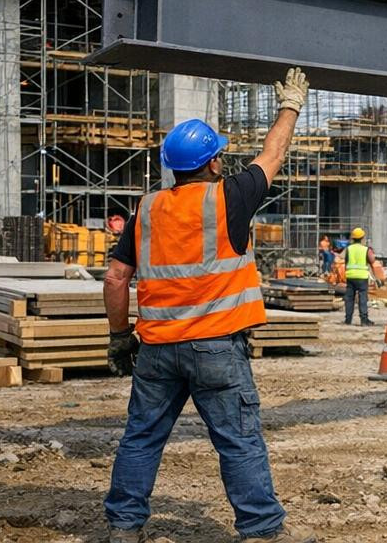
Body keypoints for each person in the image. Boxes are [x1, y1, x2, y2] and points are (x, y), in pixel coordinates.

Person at [102, 67, 313, 543]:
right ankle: (260, 530)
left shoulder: (146, 209)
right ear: (214, 162)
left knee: (141, 437)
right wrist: (291, 104)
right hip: (216, 348)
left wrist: (119, 338)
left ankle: (123, 527)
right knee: (238, 441)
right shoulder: (230, 198)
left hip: (156, 349)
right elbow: (273, 153)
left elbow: (116, 277)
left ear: (173, 167)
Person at [341, 228, 377, 326]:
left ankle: (348, 319)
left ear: (353, 238)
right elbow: (372, 260)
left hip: (350, 276)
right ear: (362, 238)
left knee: (349, 298)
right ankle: (364, 320)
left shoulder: (349, 248)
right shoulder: (365, 249)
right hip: (362, 277)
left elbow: (343, 259)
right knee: (362, 298)